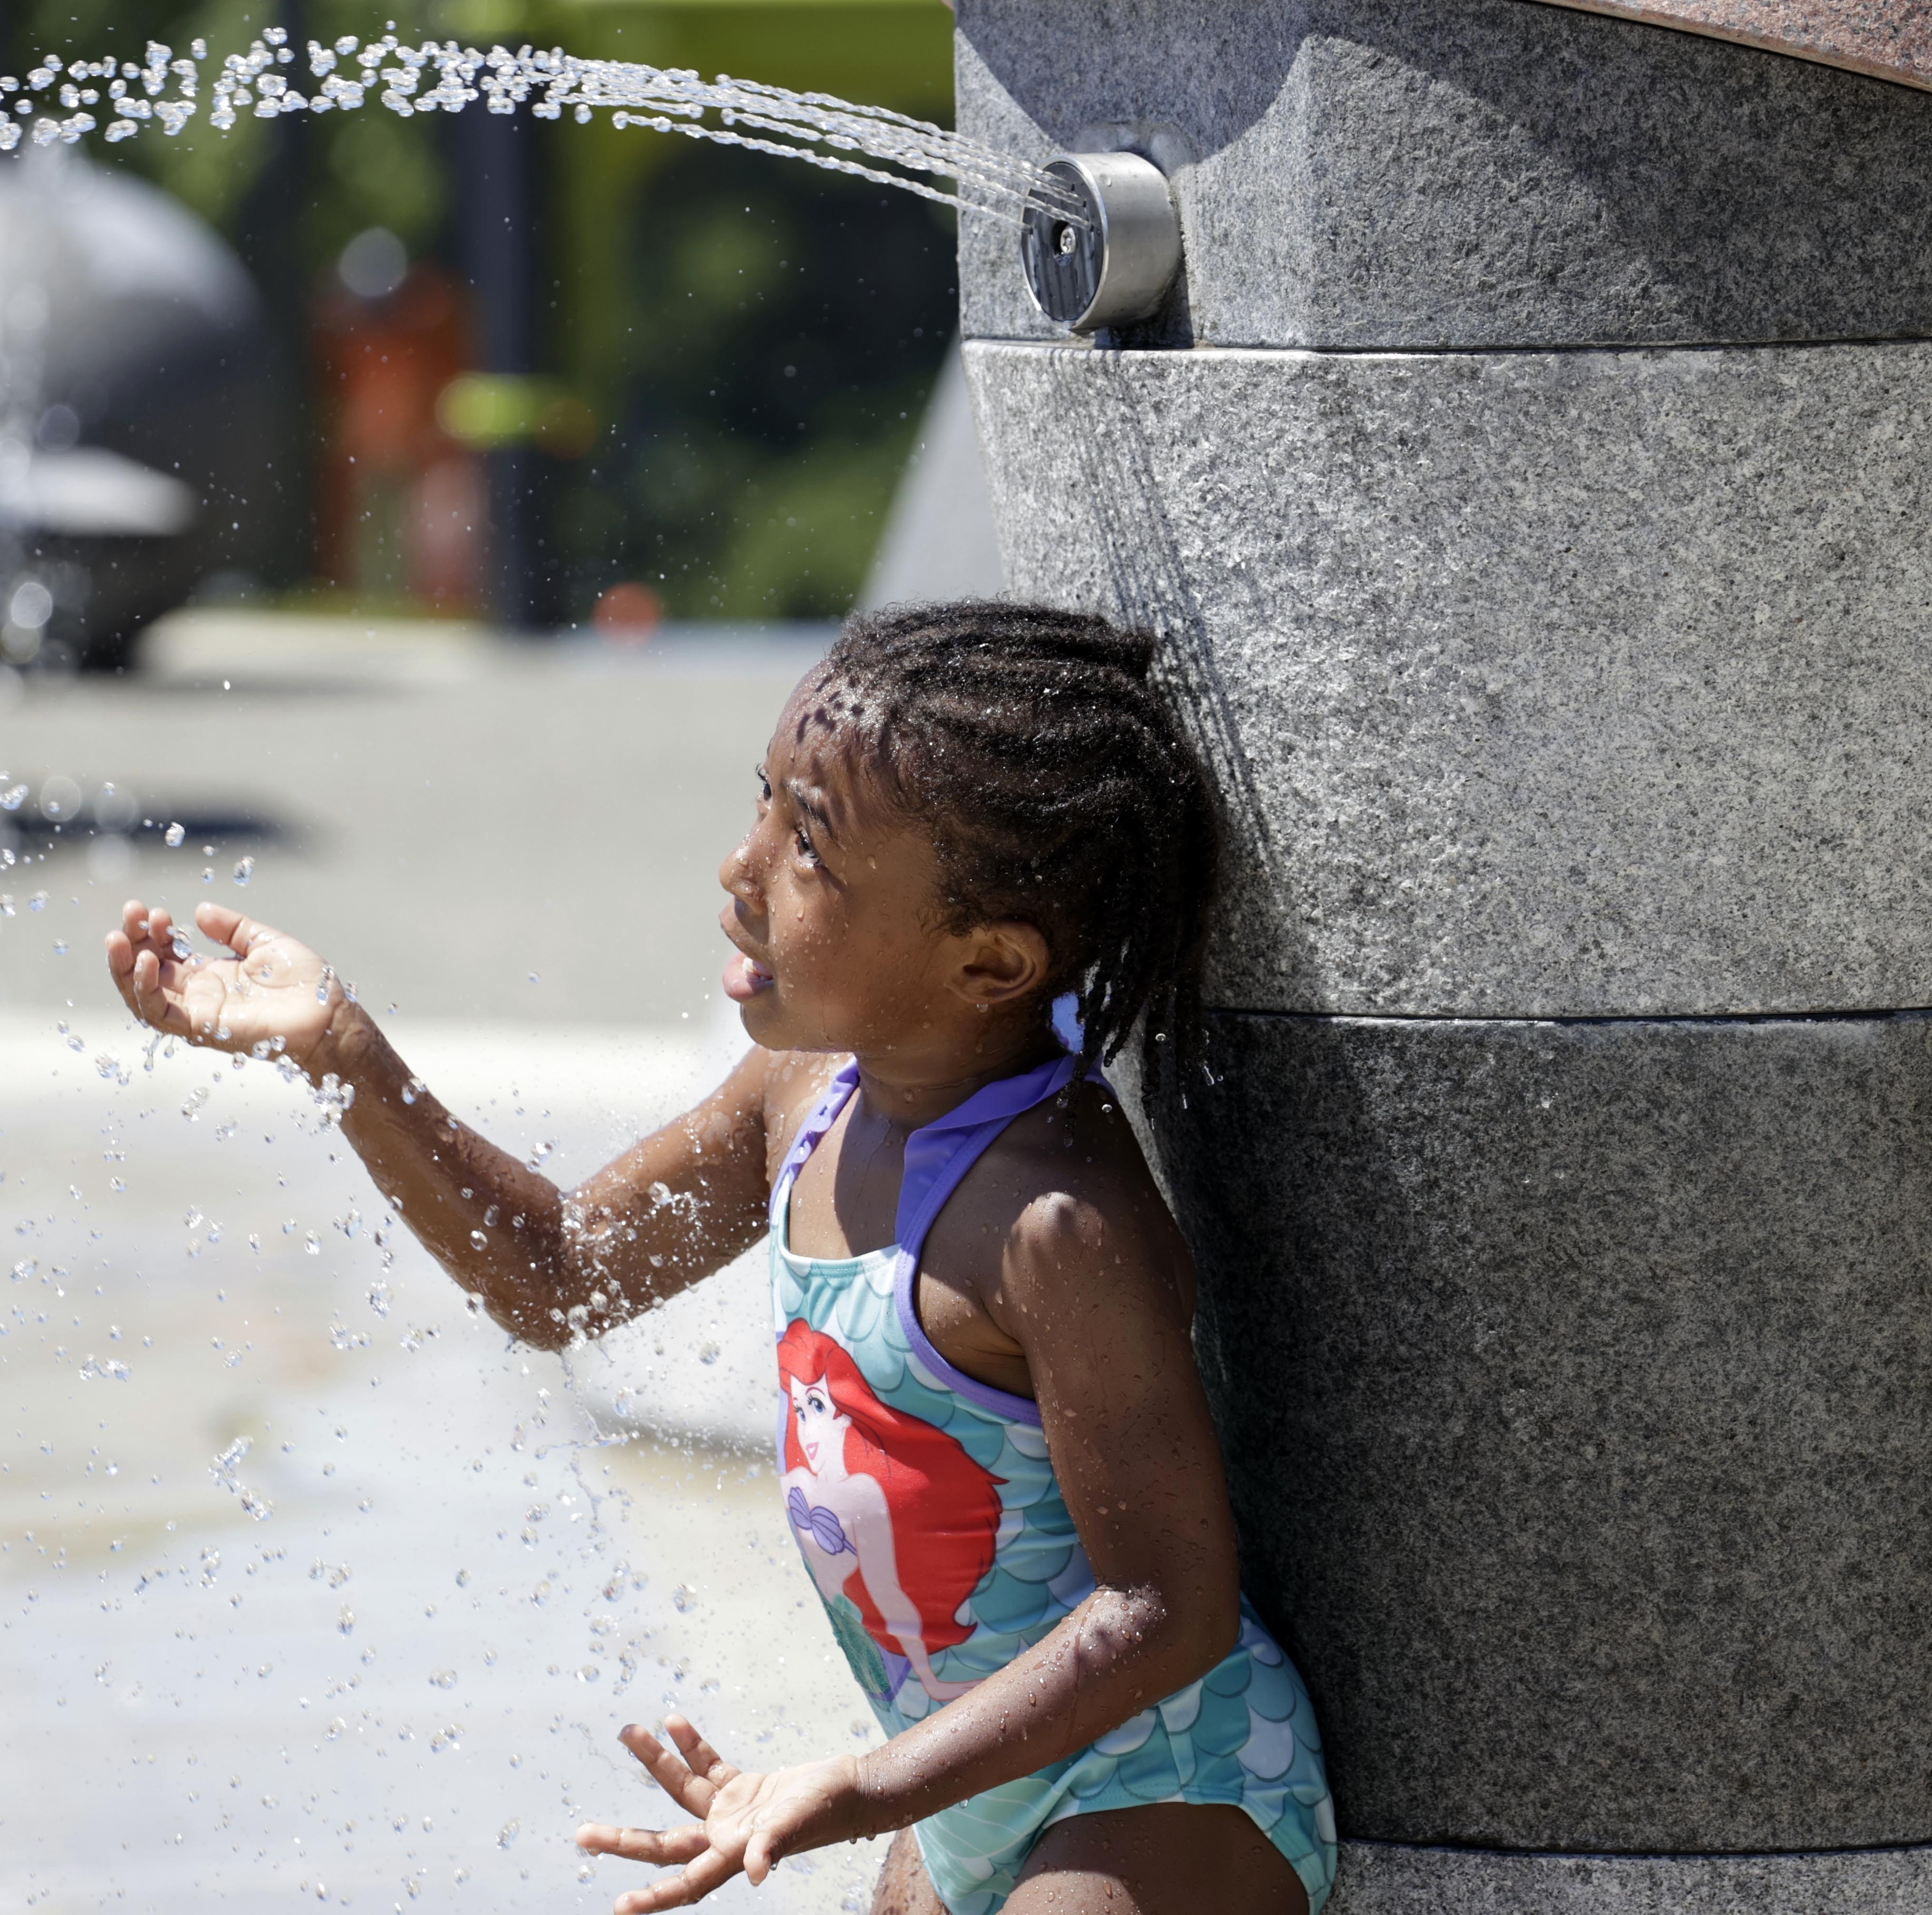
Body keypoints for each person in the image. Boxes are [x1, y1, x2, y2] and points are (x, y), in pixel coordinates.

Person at [102, 601, 1337, 1915]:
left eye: (810, 846)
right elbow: (561, 1273)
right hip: (959, 1795)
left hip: (1159, 1791)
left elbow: (1169, 1603)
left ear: (988, 960)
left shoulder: (1054, 1226)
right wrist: (344, 1055)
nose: (741, 868)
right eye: (765, 804)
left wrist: (861, 1789)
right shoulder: (804, 1095)